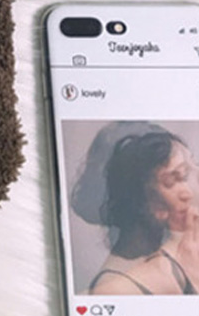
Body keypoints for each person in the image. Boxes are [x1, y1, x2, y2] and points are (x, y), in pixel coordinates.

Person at [75, 127, 198, 296]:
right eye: (174, 180)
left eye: (185, 176)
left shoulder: (181, 253)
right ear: (141, 200)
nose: (188, 193)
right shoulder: (115, 288)